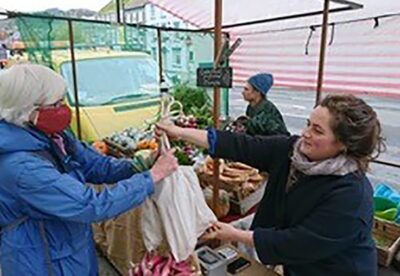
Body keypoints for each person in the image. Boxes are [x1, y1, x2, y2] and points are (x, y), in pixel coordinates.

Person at [157, 94, 385, 276]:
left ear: (344, 144)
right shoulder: (292, 151)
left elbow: (300, 242)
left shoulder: (351, 195)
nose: (305, 134)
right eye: (308, 124)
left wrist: (235, 234)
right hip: (297, 266)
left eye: (317, 130)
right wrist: (179, 132)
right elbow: (241, 145)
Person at [0, 63, 178, 276]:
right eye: (56, 104)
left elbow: (96, 166)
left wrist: (144, 164)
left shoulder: (53, 137)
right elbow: (90, 204)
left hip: (70, 247)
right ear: (27, 111)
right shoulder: (21, 168)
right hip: (41, 260)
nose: (64, 109)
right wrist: (152, 176)